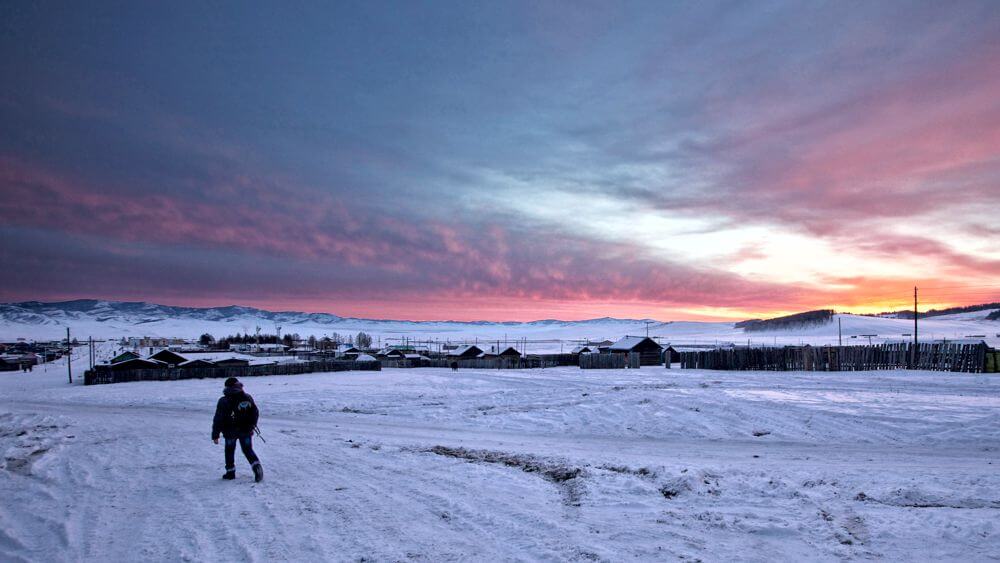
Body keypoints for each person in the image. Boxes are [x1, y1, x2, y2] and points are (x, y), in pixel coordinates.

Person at [211, 377, 264, 482]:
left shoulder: (223, 401)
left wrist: (215, 434)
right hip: (246, 430)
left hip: (230, 431)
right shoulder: (247, 397)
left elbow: (218, 418)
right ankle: (257, 467)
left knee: (229, 451)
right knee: (248, 449)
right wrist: (252, 424)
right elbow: (255, 412)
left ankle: (230, 472)